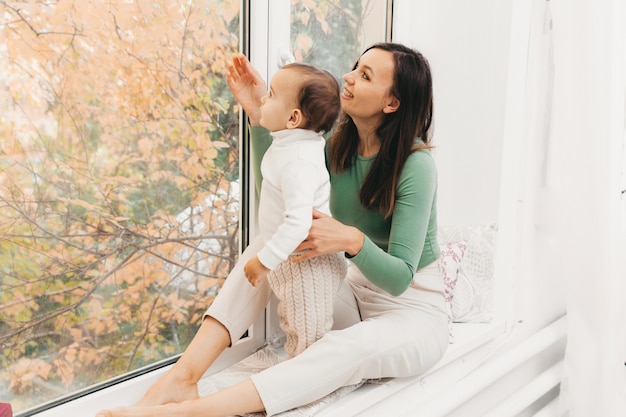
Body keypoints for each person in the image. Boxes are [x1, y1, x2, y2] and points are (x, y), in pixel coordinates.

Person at [96, 42, 448, 417]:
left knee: (348, 349)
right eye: (355, 67)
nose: (348, 77)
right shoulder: (334, 145)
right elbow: (278, 211)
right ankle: (182, 377)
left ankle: (191, 413)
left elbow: (399, 278)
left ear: (391, 103)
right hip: (354, 293)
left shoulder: (416, 165)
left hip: (412, 312)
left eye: (364, 76)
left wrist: (351, 239)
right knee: (266, 248)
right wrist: (257, 112)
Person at [242, 62, 346, 358]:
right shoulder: (293, 142)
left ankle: (309, 384)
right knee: (295, 324)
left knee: (307, 338)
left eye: (271, 94)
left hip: (308, 265)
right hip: (296, 259)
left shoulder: (298, 161)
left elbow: (298, 221)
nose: (263, 98)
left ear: (293, 118)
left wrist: (263, 261)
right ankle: (298, 368)